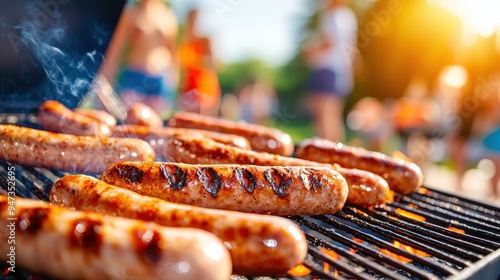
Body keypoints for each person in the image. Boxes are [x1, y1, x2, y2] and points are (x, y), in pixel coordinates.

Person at [97, 0, 179, 119]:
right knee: (131, 121)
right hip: (135, 77)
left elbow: (173, 52)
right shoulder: (131, 13)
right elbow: (116, 50)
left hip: (160, 80)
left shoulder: (168, 14)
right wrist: (105, 80)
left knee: (156, 125)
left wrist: (174, 80)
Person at [303, 0, 358, 142]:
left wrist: (310, 51)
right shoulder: (349, 17)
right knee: (333, 117)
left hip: (325, 69)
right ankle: (336, 154)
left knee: (323, 116)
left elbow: (328, 43)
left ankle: (326, 154)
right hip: (339, 72)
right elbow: (353, 50)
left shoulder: (331, 16)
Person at [178, 8, 221, 116]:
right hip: (188, 89)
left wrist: (196, 62)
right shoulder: (183, 41)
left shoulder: (205, 40)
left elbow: (216, 63)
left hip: (204, 88)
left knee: (203, 123)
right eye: (191, 19)